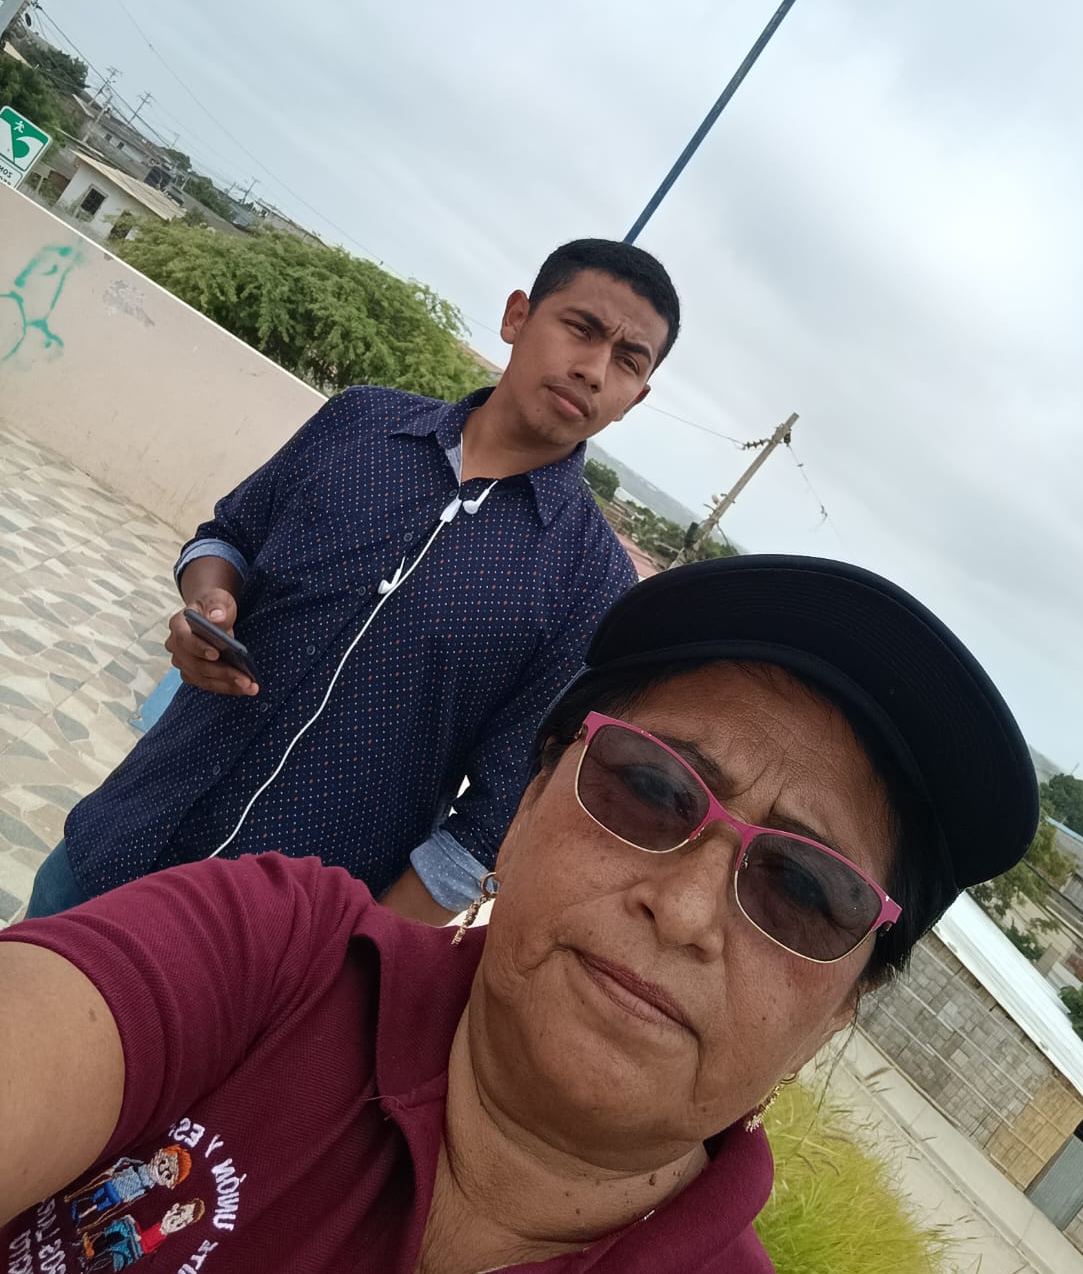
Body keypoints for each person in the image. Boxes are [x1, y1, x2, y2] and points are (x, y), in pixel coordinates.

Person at [0, 555, 1038, 1274]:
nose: (683, 912)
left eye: (804, 891)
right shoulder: (271, 950)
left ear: (842, 1007)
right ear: (530, 797)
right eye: (649, 787)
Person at [23, 238, 680, 924]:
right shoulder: (362, 424)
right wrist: (208, 605)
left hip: (268, 940)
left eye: (627, 361)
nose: (593, 370)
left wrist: (351, 958)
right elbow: (228, 535)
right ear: (518, 316)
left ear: (635, 398)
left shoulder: (590, 583)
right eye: (581, 328)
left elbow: (494, 817)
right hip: (120, 838)